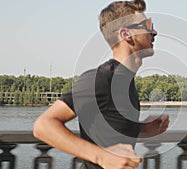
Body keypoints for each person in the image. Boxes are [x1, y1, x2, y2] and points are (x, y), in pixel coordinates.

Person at [33, 0, 169, 169]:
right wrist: (102, 157)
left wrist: (142, 128)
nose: (154, 32)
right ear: (126, 34)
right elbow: (43, 125)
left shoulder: (126, 81)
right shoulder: (101, 78)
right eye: (147, 25)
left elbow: (110, 129)